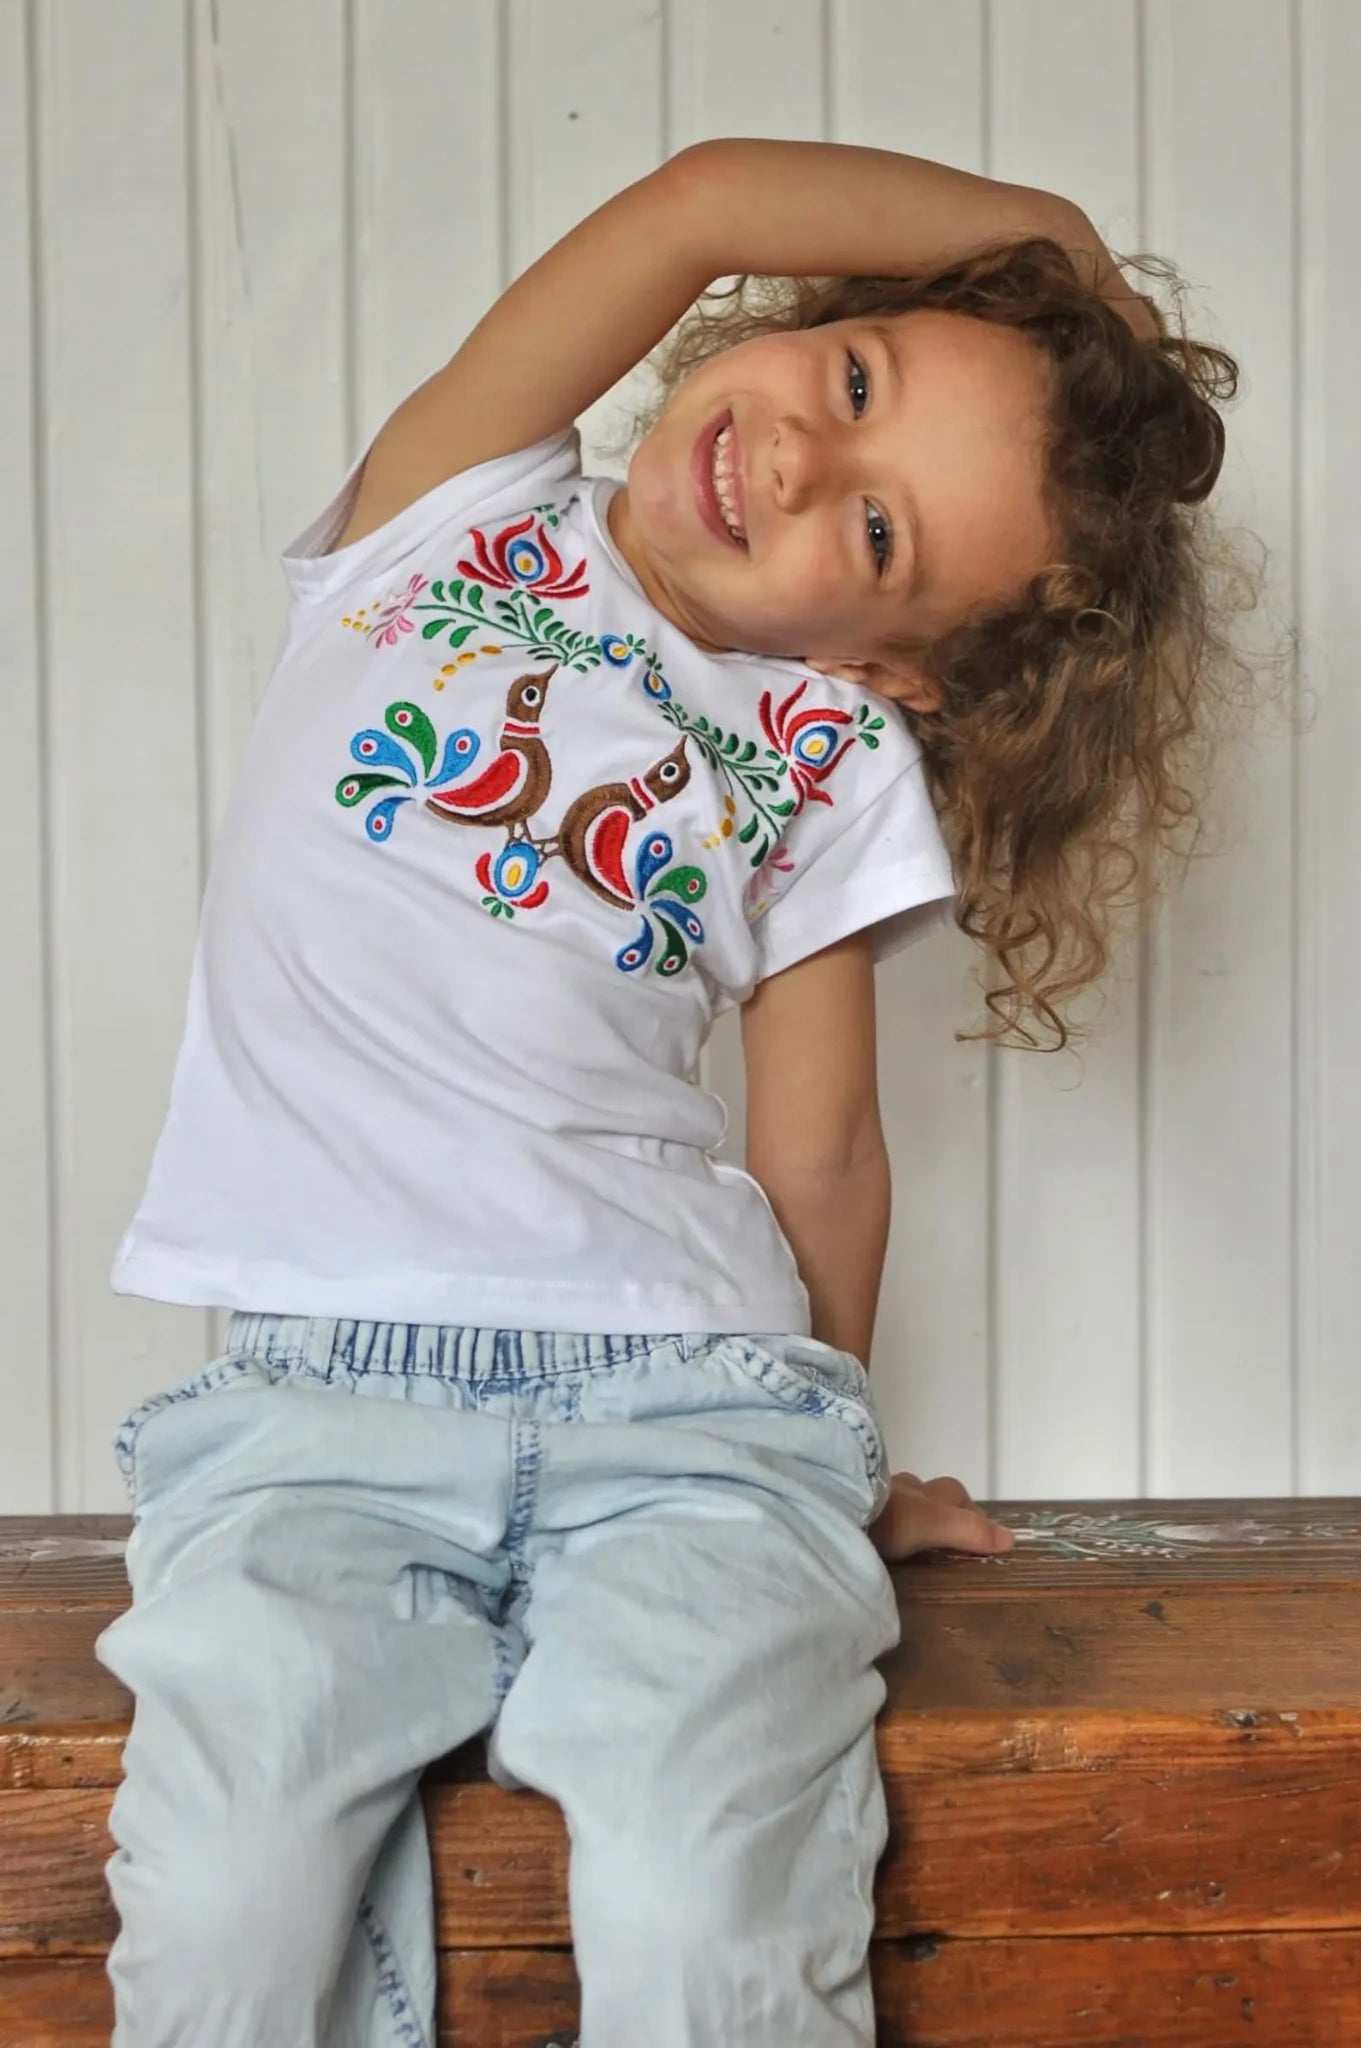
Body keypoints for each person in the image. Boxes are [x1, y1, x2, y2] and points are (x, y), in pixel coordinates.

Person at [93, 136, 1248, 2046]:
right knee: (220, 1910)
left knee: (713, 1903)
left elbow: (821, 1154)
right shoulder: (444, 517)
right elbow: (699, 201)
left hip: (691, 1414)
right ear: (817, 316)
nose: (798, 458)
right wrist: (1040, 244)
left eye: (875, 538)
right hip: (314, 1416)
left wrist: (841, 1458)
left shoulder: (821, 754)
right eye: (855, 377)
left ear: (898, 670)